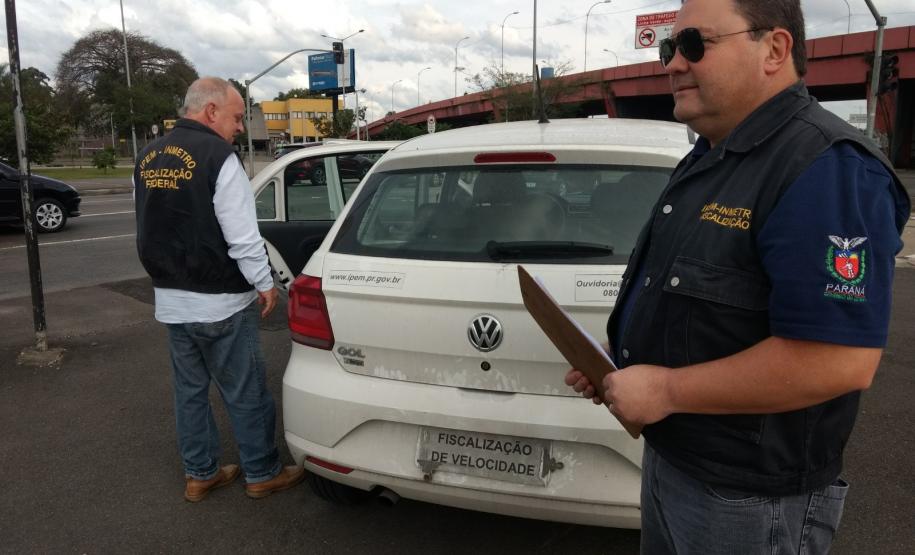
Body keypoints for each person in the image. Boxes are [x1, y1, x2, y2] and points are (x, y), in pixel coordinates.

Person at [564, 0, 911, 552]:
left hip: (750, 501)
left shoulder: (825, 169)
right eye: (669, 48)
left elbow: (839, 359)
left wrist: (667, 389)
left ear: (774, 50)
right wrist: (618, 356)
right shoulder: (710, 157)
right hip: (674, 463)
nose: (673, 64)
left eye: (695, 45)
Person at [134, 77, 304, 502]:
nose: (240, 128)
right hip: (222, 300)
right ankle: (262, 472)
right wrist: (265, 284)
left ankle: (201, 473)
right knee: (244, 389)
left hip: (172, 300)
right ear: (210, 111)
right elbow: (242, 237)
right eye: (235, 117)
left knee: (190, 392)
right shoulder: (218, 156)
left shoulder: (147, 156)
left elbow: (147, 225)